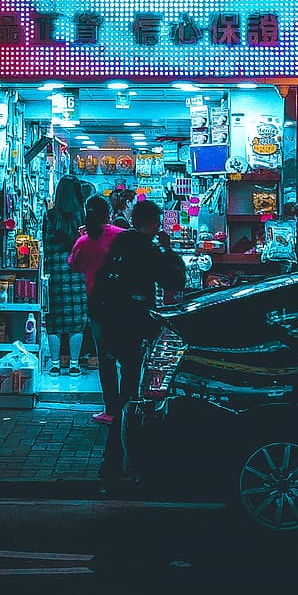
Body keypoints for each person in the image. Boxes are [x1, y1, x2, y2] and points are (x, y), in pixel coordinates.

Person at [89, 198, 187, 479]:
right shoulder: (148, 249)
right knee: (131, 390)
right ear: (154, 224)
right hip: (130, 323)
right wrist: (169, 251)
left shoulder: (119, 242)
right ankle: (119, 459)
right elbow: (174, 281)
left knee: (126, 386)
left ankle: (117, 455)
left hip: (107, 320)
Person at [67, 195, 124, 423]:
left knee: (106, 359)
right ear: (109, 213)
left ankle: (111, 410)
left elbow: (75, 265)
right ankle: (129, 406)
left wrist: (83, 239)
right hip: (125, 302)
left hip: (99, 304)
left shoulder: (84, 241)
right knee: (129, 358)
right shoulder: (121, 235)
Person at [41, 174, 89, 375]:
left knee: (55, 322)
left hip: (55, 276)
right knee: (76, 322)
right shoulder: (83, 217)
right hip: (77, 274)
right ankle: (75, 364)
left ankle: (54, 364)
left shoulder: (49, 217)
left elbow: (45, 243)